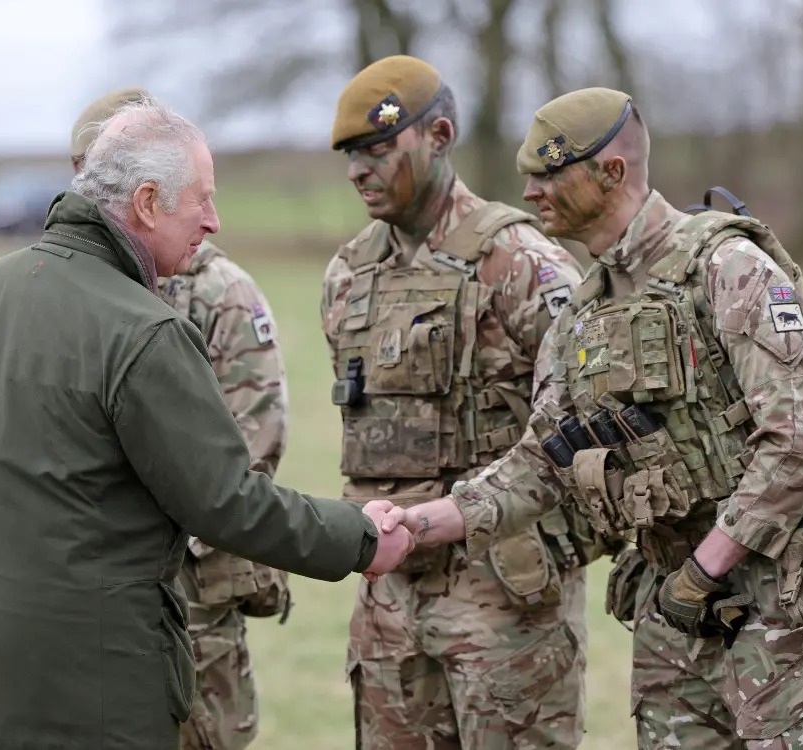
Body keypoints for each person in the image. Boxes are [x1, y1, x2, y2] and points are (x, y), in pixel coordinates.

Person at [0, 98, 415, 750]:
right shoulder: (145, 332)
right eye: (202, 200)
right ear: (148, 202)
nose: (214, 220)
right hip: (100, 694)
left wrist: (7, 507)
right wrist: (360, 540)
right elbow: (227, 503)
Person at [389, 87, 803, 747]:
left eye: (548, 174)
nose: (529, 192)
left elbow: (796, 441)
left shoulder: (727, 266)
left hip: (779, 600)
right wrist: (420, 524)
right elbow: (542, 462)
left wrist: (705, 570)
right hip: (672, 612)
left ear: (610, 174)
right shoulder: (582, 313)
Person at [0, 86, 296, 750]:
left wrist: (134, 534)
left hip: (194, 595)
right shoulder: (41, 287)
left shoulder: (216, 292)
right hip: (80, 609)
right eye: (78, 170)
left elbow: (252, 445)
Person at [323, 55, 604, 749]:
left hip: (505, 607)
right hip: (390, 606)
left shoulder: (523, 263)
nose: (361, 171)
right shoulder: (347, 275)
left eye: (381, 150)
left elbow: (592, 422)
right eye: (352, 156)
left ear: (441, 135)